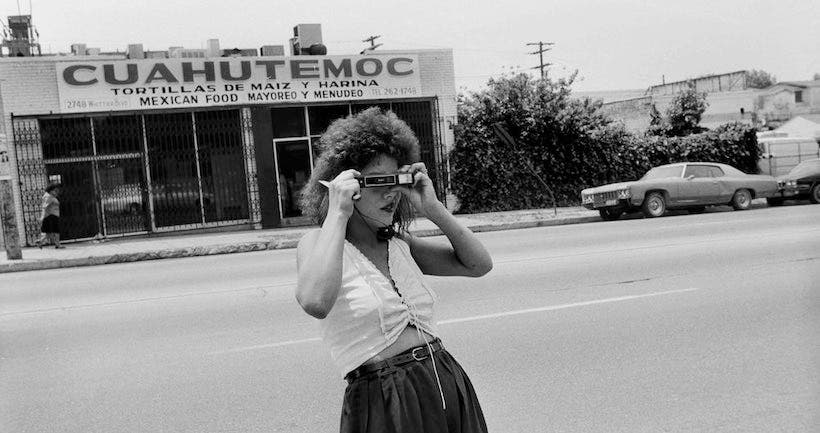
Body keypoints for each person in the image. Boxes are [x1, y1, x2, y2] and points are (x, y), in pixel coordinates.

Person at [296, 108, 493, 433]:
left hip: (444, 381)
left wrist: (432, 207)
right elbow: (316, 301)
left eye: (397, 181)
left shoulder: (400, 243)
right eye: (377, 182)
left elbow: (479, 265)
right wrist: (337, 212)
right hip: (385, 399)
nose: (390, 193)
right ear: (348, 185)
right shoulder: (317, 242)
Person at [36, 183, 64, 249]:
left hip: (51, 216)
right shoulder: (49, 197)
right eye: (55, 190)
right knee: (56, 231)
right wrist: (42, 217)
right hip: (51, 216)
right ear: (51, 190)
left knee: (49, 232)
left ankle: (40, 241)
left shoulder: (50, 196)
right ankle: (57, 244)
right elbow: (44, 207)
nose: (57, 192)